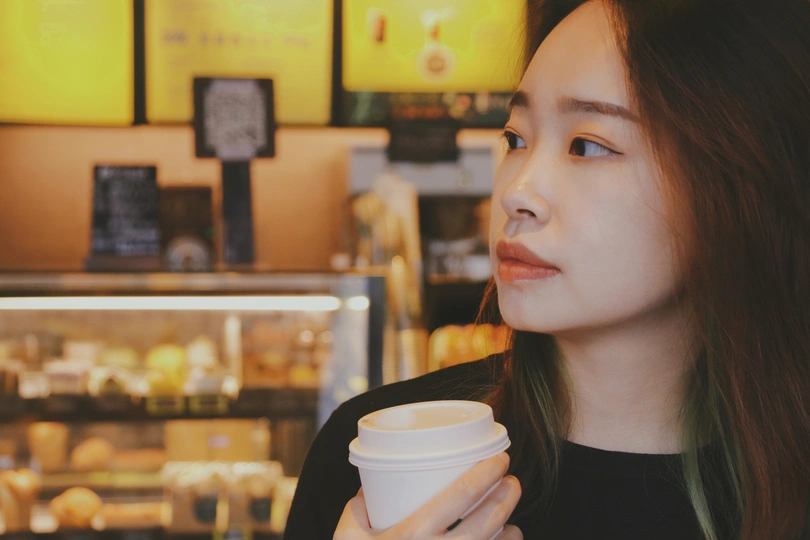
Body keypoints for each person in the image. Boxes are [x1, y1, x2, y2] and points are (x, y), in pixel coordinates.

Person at [285, 0, 810, 538]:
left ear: (741, 186)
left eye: (588, 146)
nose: (516, 192)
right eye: (515, 139)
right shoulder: (378, 461)